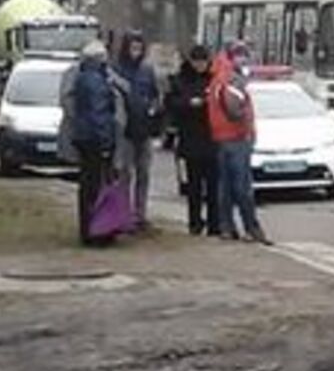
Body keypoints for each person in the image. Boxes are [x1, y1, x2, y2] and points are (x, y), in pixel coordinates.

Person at [208, 42, 270, 245]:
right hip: (236, 138)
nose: (244, 60)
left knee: (225, 187)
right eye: (241, 56)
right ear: (232, 57)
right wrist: (246, 121)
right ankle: (252, 228)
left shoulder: (217, 76)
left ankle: (227, 227)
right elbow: (234, 109)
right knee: (242, 186)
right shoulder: (233, 79)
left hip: (221, 138)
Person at [65, 40, 121, 247]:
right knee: (98, 186)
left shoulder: (82, 77)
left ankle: (88, 231)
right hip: (96, 140)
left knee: (88, 185)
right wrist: (106, 143)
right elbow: (100, 114)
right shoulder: (97, 80)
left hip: (84, 138)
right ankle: (99, 231)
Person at [166, 45, 220, 236]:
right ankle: (195, 223)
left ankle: (215, 224)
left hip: (212, 139)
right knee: (194, 187)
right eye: (197, 62)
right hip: (190, 139)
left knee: (213, 186)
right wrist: (189, 103)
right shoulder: (181, 80)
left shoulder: (214, 79)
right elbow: (171, 104)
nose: (200, 66)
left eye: (203, 62)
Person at [111, 30, 162, 231]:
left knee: (144, 173)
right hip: (125, 130)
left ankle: (140, 214)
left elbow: (156, 96)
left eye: (139, 48)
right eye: (133, 48)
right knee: (124, 174)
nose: (136, 52)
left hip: (144, 129)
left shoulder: (147, 71)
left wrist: (155, 109)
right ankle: (123, 215)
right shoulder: (116, 70)